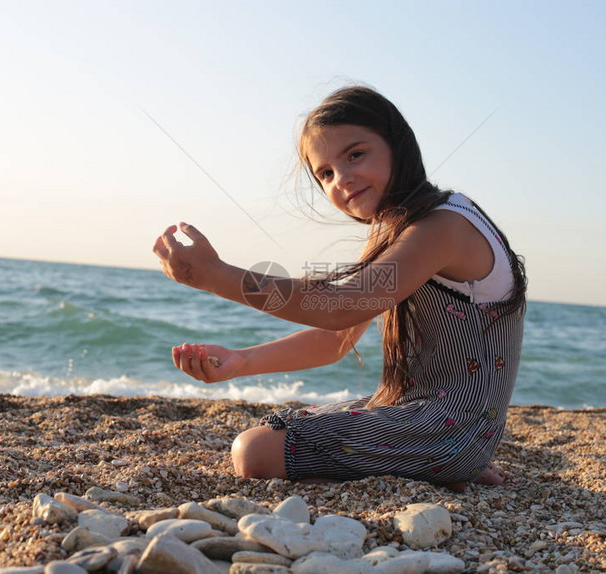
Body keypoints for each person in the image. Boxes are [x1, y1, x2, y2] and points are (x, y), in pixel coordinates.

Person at [152, 86, 526, 490]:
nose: (342, 179)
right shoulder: (395, 229)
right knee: (280, 423)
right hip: (429, 418)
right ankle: (444, 462)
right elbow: (337, 337)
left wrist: (216, 275)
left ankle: (448, 461)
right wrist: (242, 361)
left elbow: (339, 307)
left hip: (450, 428)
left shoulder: (442, 226)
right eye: (325, 173)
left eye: (355, 155)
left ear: (398, 146)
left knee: (253, 451)